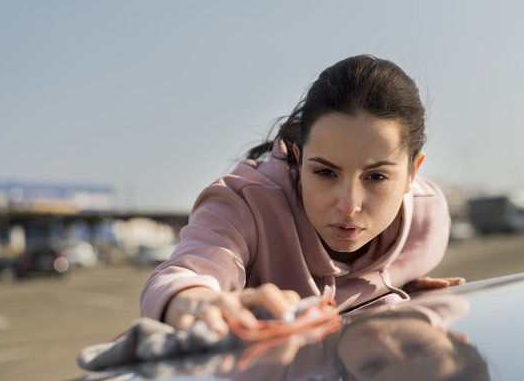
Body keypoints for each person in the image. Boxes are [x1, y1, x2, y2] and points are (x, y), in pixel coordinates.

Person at [140, 54, 465, 332]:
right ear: (298, 157)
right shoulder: (244, 205)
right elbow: (186, 274)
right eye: (324, 172)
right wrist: (198, 300)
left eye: (376, 176)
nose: (348, 205)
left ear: (412, 172)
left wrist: (397, 290)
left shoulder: (428, 220)